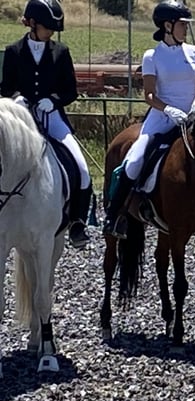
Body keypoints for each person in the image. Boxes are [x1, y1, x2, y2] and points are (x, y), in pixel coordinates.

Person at [103, 0, 195, 239]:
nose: (186, 28)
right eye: (182, 24)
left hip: (194, 114)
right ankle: (114, 215)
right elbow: (149, 95)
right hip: (162, 116)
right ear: (167, 25)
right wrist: (169, 109)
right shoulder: (152, 55)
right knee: (134, 159)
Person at [1, 0, 93, 249]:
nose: (50, 32)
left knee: (82, 169)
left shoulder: (60, 52)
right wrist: (16, 98)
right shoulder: (13, 52)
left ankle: (77, 223)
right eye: (46, 27)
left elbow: (70, 90)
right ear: (31, 23)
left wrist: (53, 100)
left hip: (51, 117)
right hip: (20, 120)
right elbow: (5, 88)